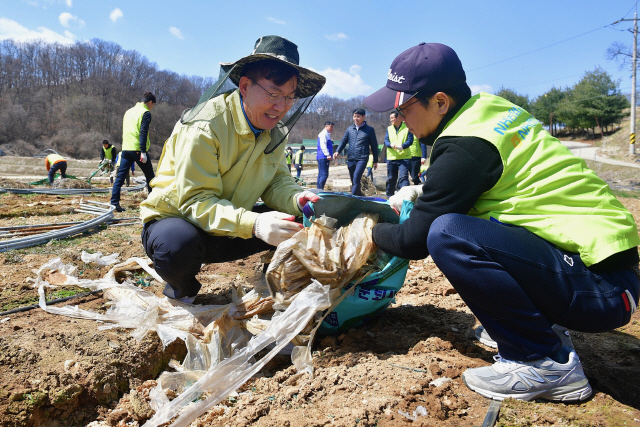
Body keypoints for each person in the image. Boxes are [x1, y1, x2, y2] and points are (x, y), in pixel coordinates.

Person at [364, 42, 640, 403]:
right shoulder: (488, 112)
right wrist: (423, 190)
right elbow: (489, 184)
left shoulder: (464, 145)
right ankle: (537, 327)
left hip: (600, 292)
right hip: (611, 275)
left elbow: (414, 241)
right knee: (466, 225)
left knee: (447, 233)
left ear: (441, 102)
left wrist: (367, 230)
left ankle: (543, 360)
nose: (398, 118)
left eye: (403, 108)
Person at [139, 35, 325, 303]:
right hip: (183, 221)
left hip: (230, 225)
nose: (280, 107)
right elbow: (196, 201)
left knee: (297, 222)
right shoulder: (205, 125)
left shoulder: (274, 132)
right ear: (245, 86)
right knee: (176, 245)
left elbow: (276, 182)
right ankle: (182, 292)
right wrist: (256, 223)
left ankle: (275, 283)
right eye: (274, 94)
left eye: (289, 98)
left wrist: (297, 198)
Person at [111, 92, 157, 212]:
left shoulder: (128, 112)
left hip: (126, 148)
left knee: (119, 178)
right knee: (150, 177)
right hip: (138, 149)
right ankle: (153, 204)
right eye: (153, 105)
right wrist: (143, 151)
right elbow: (143, 132)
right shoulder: (145, 113)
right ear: (150, 102)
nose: (152, 108)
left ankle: (114, 204)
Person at [333, 109, 379, 196]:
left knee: (356, 178)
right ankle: (359, 196)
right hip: (351, 158)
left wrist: (375, 160)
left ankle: (352, 198)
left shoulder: (369, 130)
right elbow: (343, 141)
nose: (356, 118)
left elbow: (374, 146)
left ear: (363, 117)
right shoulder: (350, 129)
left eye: (358, 116)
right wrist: (337, 151)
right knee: (353, 180)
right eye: (354, 116)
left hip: (362, 158)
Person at [384, 112, 413, 197]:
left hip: (404, 158)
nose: (391, 120)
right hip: (391, 158)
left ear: (398, 118)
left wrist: (403, 146)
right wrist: (390, 145)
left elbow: (410, 140)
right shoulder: (389, 129)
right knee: (391, 178)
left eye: (392, 118)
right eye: (390, 118)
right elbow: (386, 141)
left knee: (403, 177)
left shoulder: (407, 127)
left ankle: (404, 197)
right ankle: (389, 196)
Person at [316, 121, 334, 189]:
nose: (332, 128)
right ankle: (320, 189)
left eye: (332, 127)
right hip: (323, 156)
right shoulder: (324, 134)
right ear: (326, 126)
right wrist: (327, 154)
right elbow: (323, 145)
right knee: (324, 175)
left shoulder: (327, 134)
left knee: (321, 174)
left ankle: (319, 189)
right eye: (330, 127)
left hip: (323, 157)